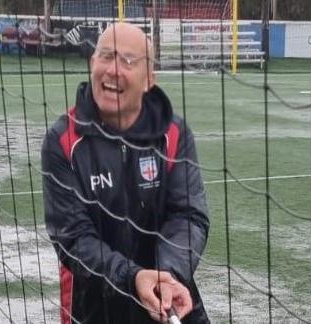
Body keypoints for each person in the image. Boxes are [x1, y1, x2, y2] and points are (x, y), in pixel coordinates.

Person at [41, 22, 210, 324]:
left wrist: (166, 275)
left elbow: (189, 216)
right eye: (105, 56)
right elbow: (74, 238)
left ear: (149, 80)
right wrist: (132, 278)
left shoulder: (174, 133)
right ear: (92, 64)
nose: (113, 70)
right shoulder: (62, 141)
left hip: (166, 298)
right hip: (94, 306)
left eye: (128, 61)